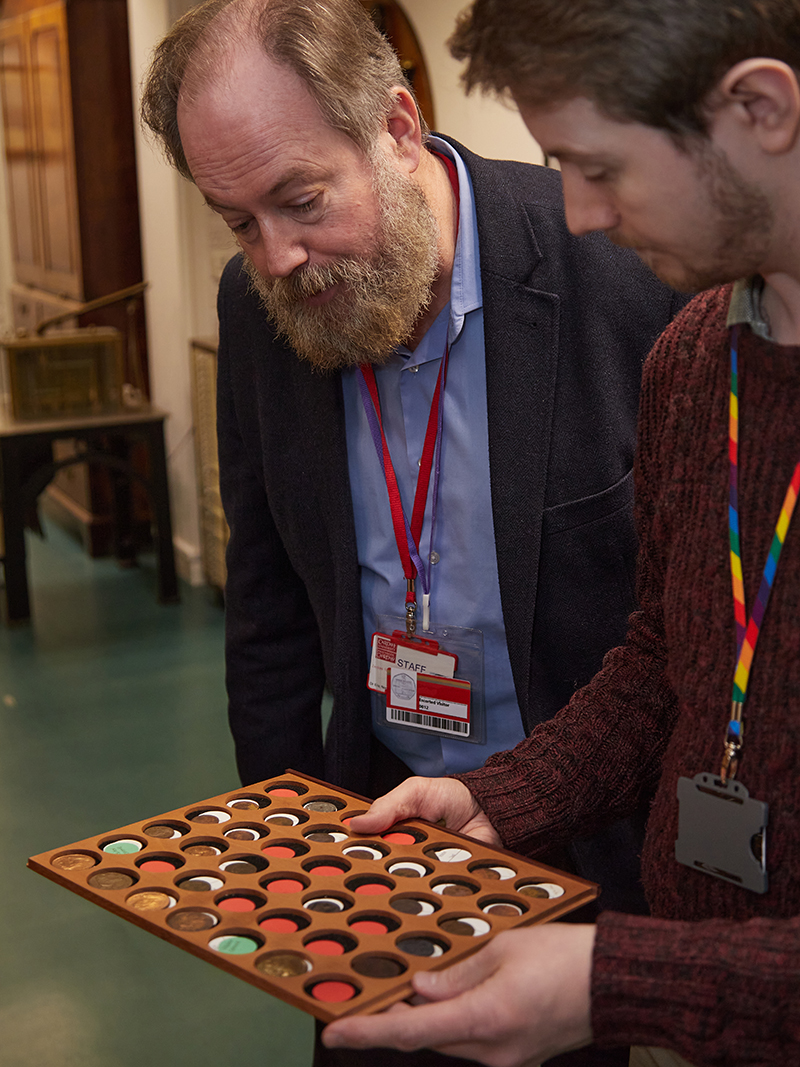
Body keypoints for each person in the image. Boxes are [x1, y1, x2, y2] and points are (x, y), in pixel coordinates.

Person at [316, 2, 800, 1066]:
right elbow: (657, 667)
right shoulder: (690, 359)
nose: (578, 214)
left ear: (760, 109)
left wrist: (610, 980)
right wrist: (494, 799)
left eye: (598, 165)